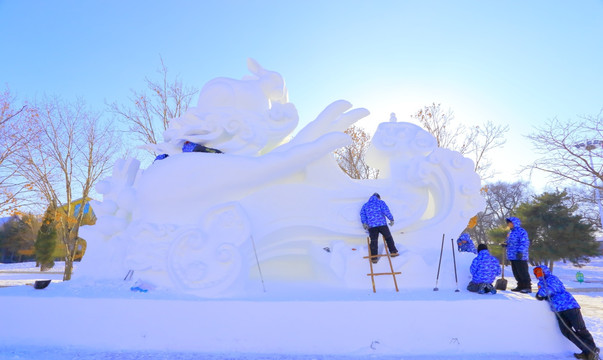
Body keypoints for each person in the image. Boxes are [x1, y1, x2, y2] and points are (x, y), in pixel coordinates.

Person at [534, 265, 600, 360]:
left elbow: (553, 288)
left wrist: (540, 294)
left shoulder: (552, 278)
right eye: (535, 272)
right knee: (566, 331)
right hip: (559, 310)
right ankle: (587, 351)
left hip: (569, 306)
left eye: (538, 271)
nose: (537, 274)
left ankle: (592, 351)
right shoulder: (541, 283)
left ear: (544, 271)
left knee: (580, 329)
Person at [360, 193, 398, 263]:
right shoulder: (380, 202)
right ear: (378, 197)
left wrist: (364, 223)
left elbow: (362, 214)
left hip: (372, 226)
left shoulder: (365, 205)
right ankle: (393, 252)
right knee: (388, 237)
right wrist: (391, 219)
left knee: (374, 241)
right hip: (382, 224)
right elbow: (386, 210)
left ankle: (374, 258)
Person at [504, 217, 532, 293]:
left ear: (514, 223)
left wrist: (520, 251)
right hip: (512, 255)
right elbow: (508, 242)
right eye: (508, 223)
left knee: (523, 271)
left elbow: (525, 242)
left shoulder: (521, 231)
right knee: (516, 272)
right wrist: (505, 244)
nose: (508, 224)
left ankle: (527, 286)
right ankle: (520, 286)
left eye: (509, 223)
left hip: (520, 255)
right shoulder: (510, 233)